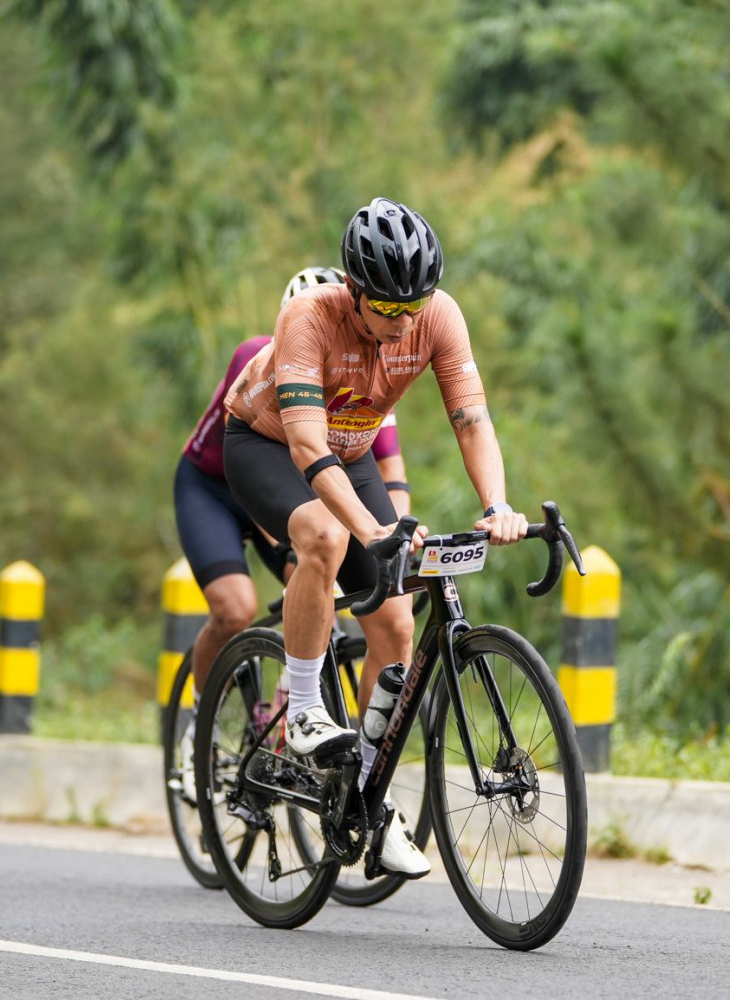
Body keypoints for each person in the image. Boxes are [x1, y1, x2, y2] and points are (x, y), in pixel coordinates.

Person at [222, 197, 531, 878]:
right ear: (352, 290)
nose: (402, 323)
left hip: (352, 451)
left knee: (394, 621)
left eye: (412, 307)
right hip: (267, 445)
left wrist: (498, 504)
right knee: (325, 537)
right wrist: (373, 530)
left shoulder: (439, 317)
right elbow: (307, 446)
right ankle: (304, 710)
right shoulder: (309, 316)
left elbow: (471, 421)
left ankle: (368, 795)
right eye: (386, 307)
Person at [174, 266, 410, 702]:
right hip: (217, 487)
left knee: (319, 578)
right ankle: (202, 721)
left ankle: (292, 696)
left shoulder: (365, 371)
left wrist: (395, 536)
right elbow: (253, 470)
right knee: (235, 609)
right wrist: (296, 551)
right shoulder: (255, 355)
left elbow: (392, 472)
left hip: (297, 480)